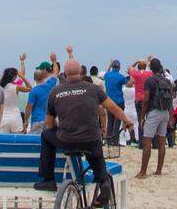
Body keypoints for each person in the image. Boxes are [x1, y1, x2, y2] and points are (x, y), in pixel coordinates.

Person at [32, 61, 131, 194]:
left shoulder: (55, 92)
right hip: (90, 140)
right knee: (94, 143)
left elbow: (49, 123)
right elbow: (112, 107)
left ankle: (48, 180)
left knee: (46, 135)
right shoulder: (94, 89)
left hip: (66, 141)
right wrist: (126, 121)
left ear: (65, 74)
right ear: (81, 72)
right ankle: (103, 180)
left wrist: (58, 128)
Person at [136, 59, 173, 178]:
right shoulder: (167, 80)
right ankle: (158, 170)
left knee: (147, 141)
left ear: (151, 68)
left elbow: (146, 100)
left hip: (154, 112)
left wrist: (142, 117)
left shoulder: (150, 80)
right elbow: (171, 99)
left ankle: (143, 172)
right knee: (162, 142)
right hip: (165, 112)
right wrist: (171, 117)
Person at [0, 58, 32, 133]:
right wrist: (22, 76)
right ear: (14, 77)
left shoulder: (0, 88)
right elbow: (30, 88)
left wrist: (22, 62)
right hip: (15, 116)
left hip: (3, 117)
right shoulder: (16, 87)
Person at [24, 63, 57, 135]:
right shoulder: (50, 84)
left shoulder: (33, 91)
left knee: (35, 142)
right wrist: (54, 61)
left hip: (37, 121)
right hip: (49, 120)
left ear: (34, 78)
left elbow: (29, 107)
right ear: (44, 77)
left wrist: (26, 120)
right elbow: (55, 74)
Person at [102, 60, 128, 145]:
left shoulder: (107, 75)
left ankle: (109, 141)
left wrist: (109, 65)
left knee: (110, 121)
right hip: (119, 102)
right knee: (117, 123)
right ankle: (115, 141)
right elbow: (128, 82)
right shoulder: (120, 77)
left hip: (109, 102)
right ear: (119, 68)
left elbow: (106, 73)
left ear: (112, 67)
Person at [127, 59, 153, 139]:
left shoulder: (135, 73)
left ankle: (141, 142)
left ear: (138, 68)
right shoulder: (149, 73)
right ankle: (148, 139)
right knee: (149, 120)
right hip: (147, 99)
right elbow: (152, 68)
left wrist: (137, 61)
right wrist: (147, 62)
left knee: (140, 120)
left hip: (138, 99)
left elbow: (130, 68)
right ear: (145, 67)